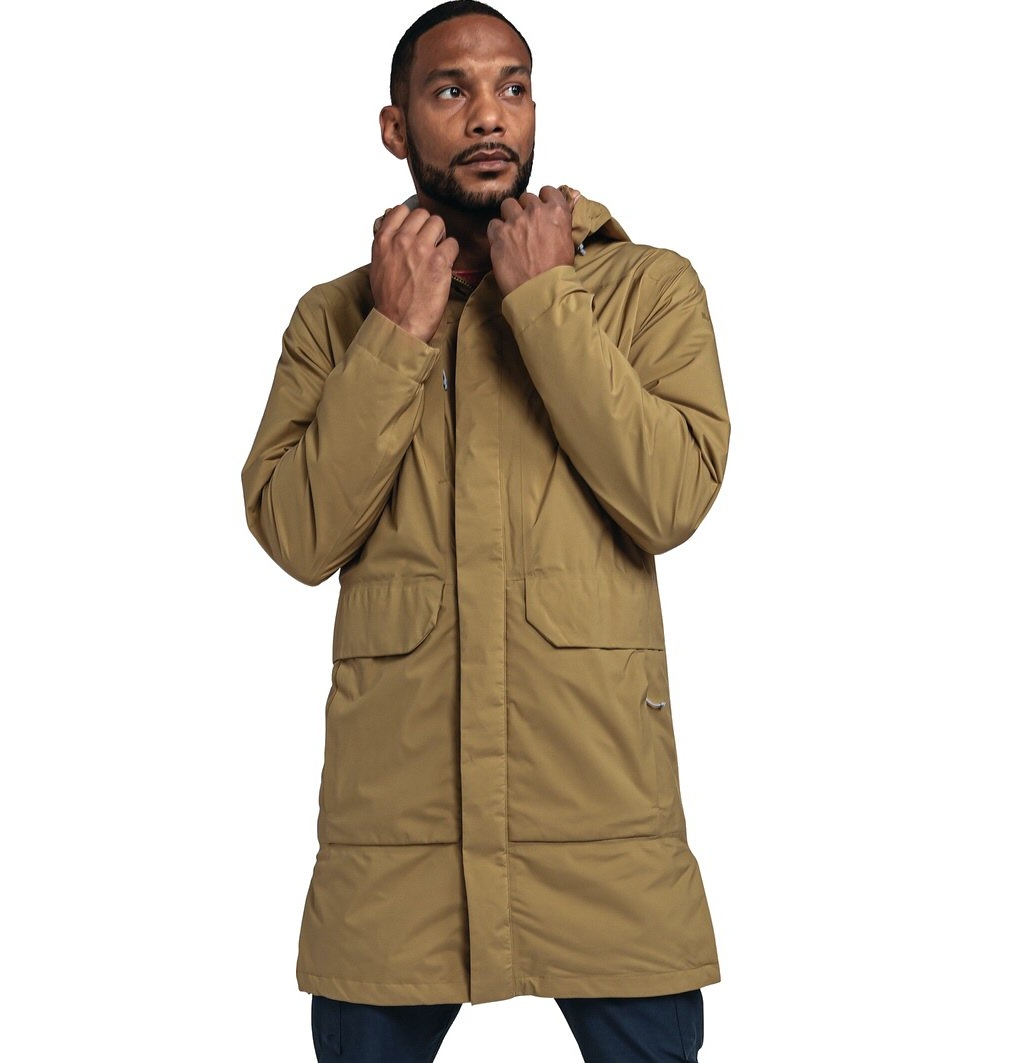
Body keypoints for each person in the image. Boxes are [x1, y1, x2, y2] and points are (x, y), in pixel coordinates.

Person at [241, 2, 730, 1059]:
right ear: (395, 127)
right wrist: (396, 330)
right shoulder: (337, 316)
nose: (488, 115)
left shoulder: (645, 289)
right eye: (450, 90)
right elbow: (296, 535)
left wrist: (547, 300)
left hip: (601, 824)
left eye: (512, 86)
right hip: (396, 844)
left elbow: (670, 499)